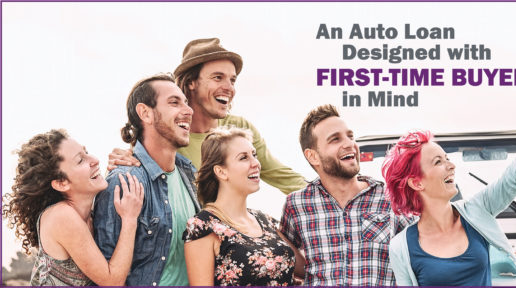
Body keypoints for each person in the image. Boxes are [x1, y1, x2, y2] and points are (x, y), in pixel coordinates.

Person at [384, 57, 516, 286]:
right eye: (438, 162)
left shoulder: (477, 211)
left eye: (447, 158)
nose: (451, 165)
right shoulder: (402, 247)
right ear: (416, 183)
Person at [108, 38, 306, 194]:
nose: (229, 88)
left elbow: (281, 175)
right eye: (217, 77)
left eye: (232, 80)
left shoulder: (238, 128)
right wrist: (126, 159)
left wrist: (328, 195)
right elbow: (143, 163)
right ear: (192, 82)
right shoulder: (170, 131)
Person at [279, 104, 414, 286]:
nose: (350, 143)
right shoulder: (296, 204)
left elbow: (423, 259)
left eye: (350, 136)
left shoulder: (391, 199)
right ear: (313, 156)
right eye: (335, 139)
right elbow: (284, 262)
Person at [93, 73, 200, 286]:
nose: (189, 111)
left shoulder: (189, 173)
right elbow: (106, 276)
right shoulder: (125, 181)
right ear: (145, 113)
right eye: (174, 103)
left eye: (186, 103)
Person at [2, 129, 144, 286]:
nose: (95, 159)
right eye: (80, 160)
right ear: (62, 183)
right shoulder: (61, 216)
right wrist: (130, 219)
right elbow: (112, 281)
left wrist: (125, 159)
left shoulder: (87, 214)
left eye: (86, 152)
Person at [183, 126, 305, 286]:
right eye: (243, 158)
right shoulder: (203, 226)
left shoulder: (265, 220)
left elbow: (306, 268)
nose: (256, 163)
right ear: (221, 171)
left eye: (254, 155)